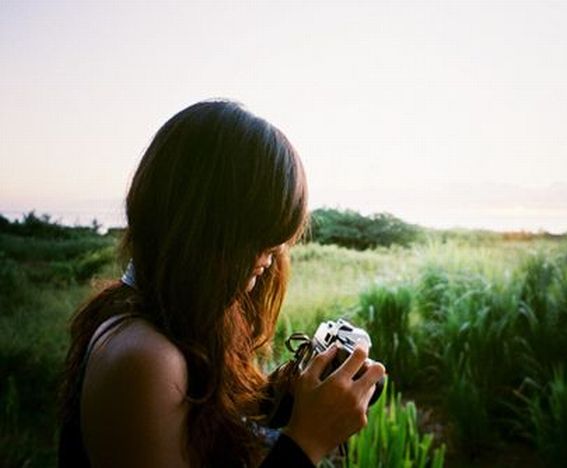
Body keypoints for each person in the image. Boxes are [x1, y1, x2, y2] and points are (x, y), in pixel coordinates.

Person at [58, 100, 386, 467]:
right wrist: (307, 440)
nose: (274, 252)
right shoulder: (146, 358)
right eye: (260, 233)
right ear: (203, 225)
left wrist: (274, 399)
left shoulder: (171, 321)